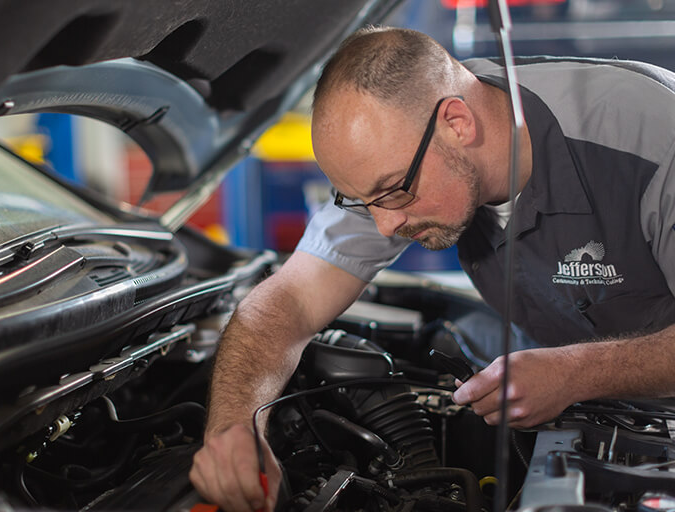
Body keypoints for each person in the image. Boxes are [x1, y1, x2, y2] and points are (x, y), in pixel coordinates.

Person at [189, 26, 675, 512]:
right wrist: (235, 425)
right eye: (361, 202)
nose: (383, 226)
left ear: (458, 122)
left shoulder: (654, 143)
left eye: (394, 191)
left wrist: (576, 372)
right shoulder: (397, 148)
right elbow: (290, 298)